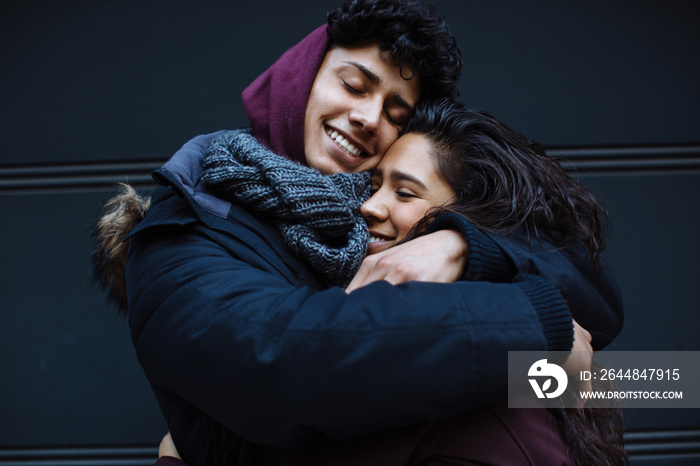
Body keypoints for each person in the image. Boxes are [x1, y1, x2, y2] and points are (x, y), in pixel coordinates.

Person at [92, 1, 623, 465]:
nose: (369, 117)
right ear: (301, 76)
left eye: (396, 112)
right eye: (354, 84)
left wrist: (463, 245)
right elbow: (284, 363)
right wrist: (535, 322)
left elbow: (609, 329)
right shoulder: (183, 229)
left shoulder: (406, 228)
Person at [155, 99, 628, 465]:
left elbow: (641, 379)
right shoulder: (482, 361)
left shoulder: (482, 397)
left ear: (469, 214)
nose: (368, 207)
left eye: (403, 192)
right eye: (372, 185)